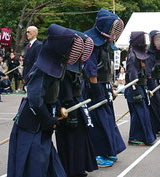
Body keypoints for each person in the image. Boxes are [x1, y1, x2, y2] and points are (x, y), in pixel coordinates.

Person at [7, 23, 83, 177]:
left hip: (43, 119)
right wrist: (47, 119)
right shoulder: (43, 67)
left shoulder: (56, 64)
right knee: (33, 167)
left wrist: (57, 108)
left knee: (48, 163)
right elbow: (35, 99)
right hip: (31, 123)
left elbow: (52, 94)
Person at [84, 9, 126, 167]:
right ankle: (97, 154)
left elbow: (106, 69)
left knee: (107, 119)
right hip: (92, 87)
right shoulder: (91, 42)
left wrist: (110, 88)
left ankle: (109, 150)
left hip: (104, 85)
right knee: (97, 120)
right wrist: (96, 91)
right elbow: (90, 70)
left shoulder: (106, 44)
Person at [55, 30, 98, 177]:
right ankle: (71, 170)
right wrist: (67, 107)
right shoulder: (61, 66)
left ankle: (78, 168)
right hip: (67, 107)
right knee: (70, 140)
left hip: (78, 104)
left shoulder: (77, 66)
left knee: (79, 139)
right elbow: (62, 89)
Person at [125, 31, 156, 145]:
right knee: (139, 114)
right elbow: (132, 75)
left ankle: (138, 137)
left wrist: (145, 88)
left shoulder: (139, 54)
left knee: (140, 114)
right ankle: (135, 138)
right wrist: (136, 90)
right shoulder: (133, 56)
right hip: (134, 89)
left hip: (141, 87)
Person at [146, 30, 160, 136]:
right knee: (154, 106)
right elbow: (148, 72)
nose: (159, 42)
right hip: (152, 84)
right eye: (157, 40)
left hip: (159, 83)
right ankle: (155, 128)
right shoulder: (149, 54)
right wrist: (150, 86)